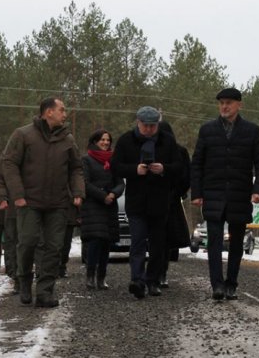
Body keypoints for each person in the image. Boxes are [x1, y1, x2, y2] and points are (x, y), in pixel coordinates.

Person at [2, 97, 85, 308]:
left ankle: (45, 292)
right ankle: (24, 281)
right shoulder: (23, 134)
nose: (65, 114)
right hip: (28, 202)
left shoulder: (68, 140)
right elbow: (9, 164)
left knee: (54, 248)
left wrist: (77, 191)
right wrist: (17, 194)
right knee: (28, 241)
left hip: (57, 203)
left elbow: (76, 168)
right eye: (62, 110)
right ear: (48, 112)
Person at [190, 88, 259, 301]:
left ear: (239, 105)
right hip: (213, 194)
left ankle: (231, 284)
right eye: (221, 103)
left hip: (239, 194)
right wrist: (196, 193)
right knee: (213, 241)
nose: (224, 106)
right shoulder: (207, 130)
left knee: (236, 244)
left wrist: (258, 190)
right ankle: (217, 285)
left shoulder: (252, 131)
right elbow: (197, 163)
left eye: (229, 103)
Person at [111, 106, 182, 299]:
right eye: (146, 126)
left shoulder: (167, 141)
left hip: (160, 201)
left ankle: (153, 280)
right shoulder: (126, 140)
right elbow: (116, 167)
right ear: (138, 122)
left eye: (153, 125)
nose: (150, 129)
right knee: (138, 241)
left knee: (158, 244)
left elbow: (179, 166)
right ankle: (137, 280)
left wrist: (163, 169)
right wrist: (135, 170)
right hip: (136, 202)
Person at [80, 129, 125, 290]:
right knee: (95, 240)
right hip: (93, 205)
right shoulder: (86, 159)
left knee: (106, 242)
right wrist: (102, 196)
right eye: (102, 140)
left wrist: (113, 193)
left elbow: (121, 182)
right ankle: (90, 275)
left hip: (109, 205)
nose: (105, 143)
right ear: (95, 141)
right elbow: (85, 183)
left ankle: (101, 277)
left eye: (108, 140)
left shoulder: (113, 160)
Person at [158, 121, 191, 288]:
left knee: (165, 239)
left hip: (170, 201)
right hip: (159, 199)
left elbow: (186, 176)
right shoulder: (153, 149)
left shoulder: (180, 152)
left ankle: (161, 273)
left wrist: (176, 192)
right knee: (160, 239)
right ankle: (159, 273)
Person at [0, 157, 20, 294]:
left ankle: (13, 270)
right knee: (4, 244)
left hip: (19, 211)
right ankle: (5, 272)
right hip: (1, 217)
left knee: (21, 243)